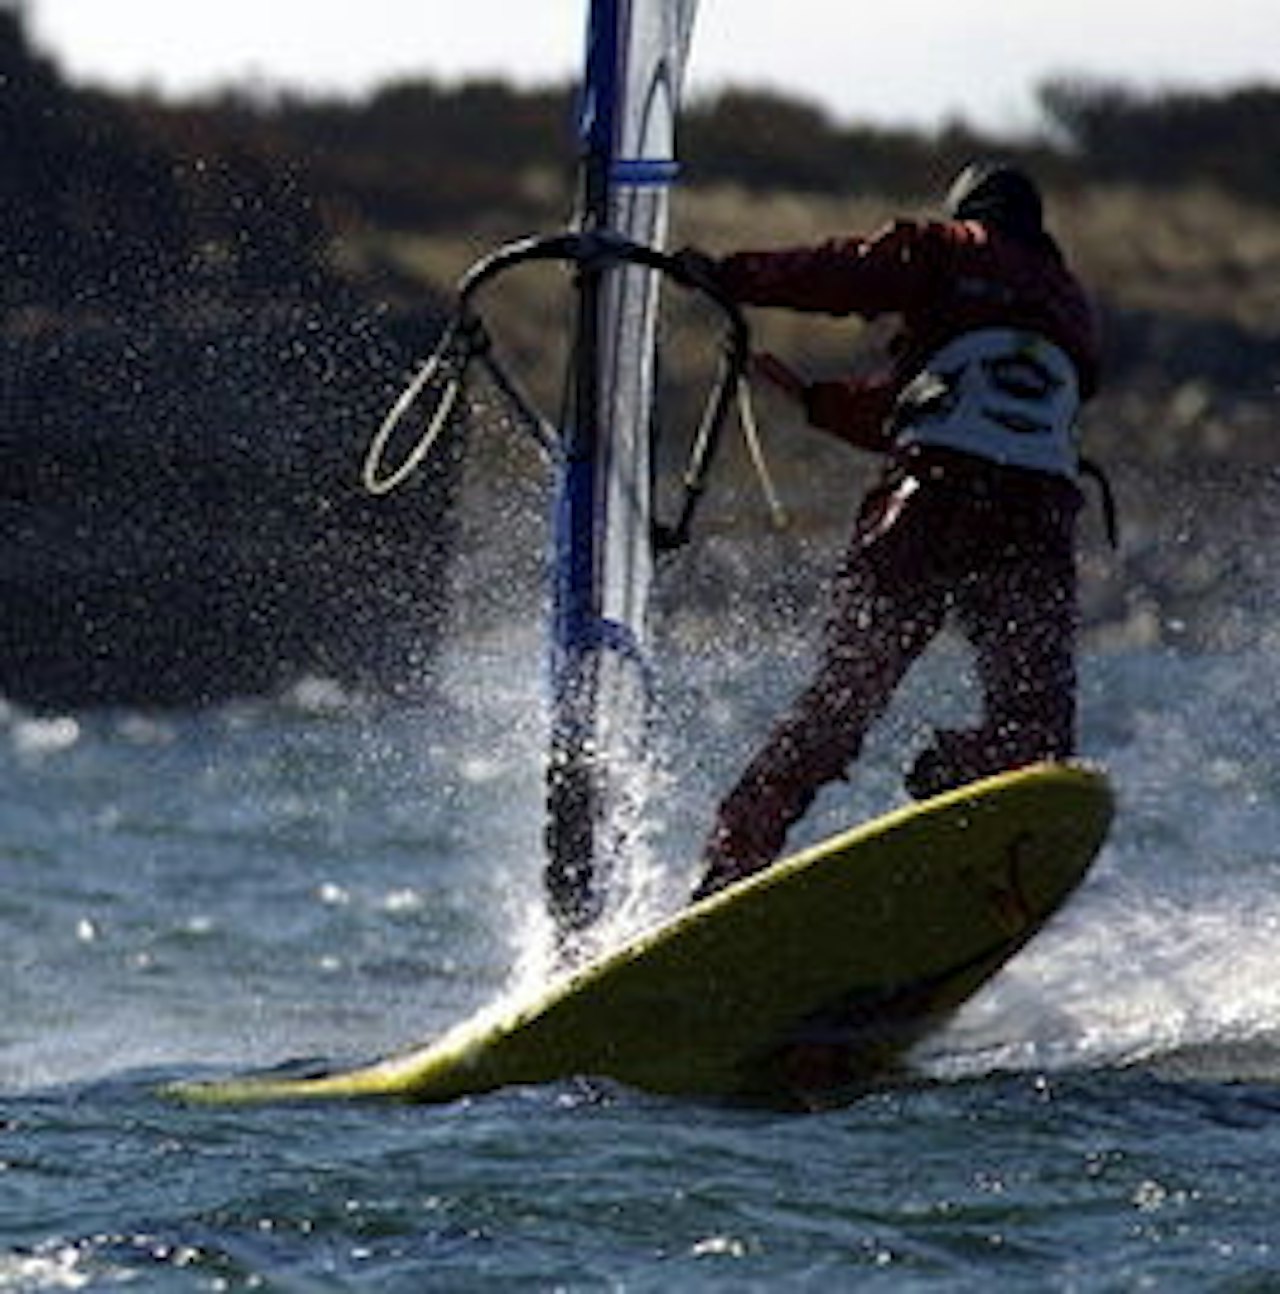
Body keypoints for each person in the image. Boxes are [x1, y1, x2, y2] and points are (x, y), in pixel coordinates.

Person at [680, 161, 1102, 901]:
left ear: (972, 211)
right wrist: (816, 400)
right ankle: (964, 788)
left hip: (931, 501)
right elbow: (970, 406)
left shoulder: (949, 248)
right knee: (1036, 731)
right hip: (1035, 516)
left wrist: (728, 275)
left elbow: (847, 273)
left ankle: (732, 863)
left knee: (844, 696)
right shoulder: (1069, 305)